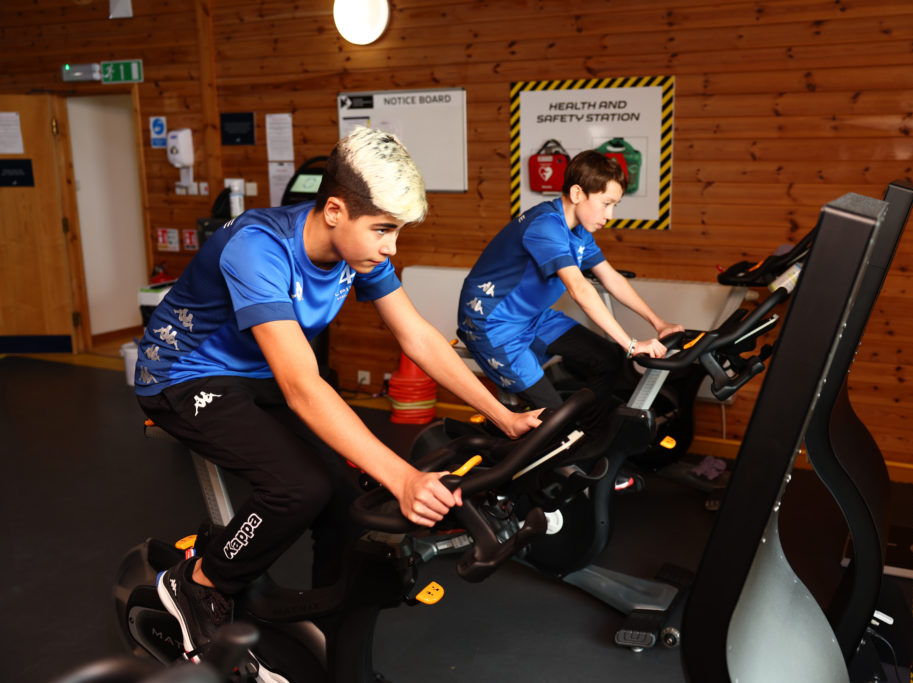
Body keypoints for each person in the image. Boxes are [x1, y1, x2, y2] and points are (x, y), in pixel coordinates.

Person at [134, 127, 541, 662]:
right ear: (334, 211)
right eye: (382, 230)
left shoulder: (358, 252)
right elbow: (303, 388)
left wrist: (503, 416)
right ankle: (198, 583)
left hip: (258, 372)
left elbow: (417, 336)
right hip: (183, 375)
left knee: (347, 505)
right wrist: (404, 478)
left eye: (396, 230)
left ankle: (329, 633)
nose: (391, 246)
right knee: (298, 488)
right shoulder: (258, 249)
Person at [457, 149, 685, 425]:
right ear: (577, 193)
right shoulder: (545, 226)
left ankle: (587, 433)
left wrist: (659, 324)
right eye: (606, 203)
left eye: (615, 205)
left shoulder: (579, 232)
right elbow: (579, 288)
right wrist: (631, 344)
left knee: (609, 358)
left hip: (534, 318)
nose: (610, 215)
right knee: (555, 419)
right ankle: (568, 437)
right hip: (494, 325)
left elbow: (611, 278)